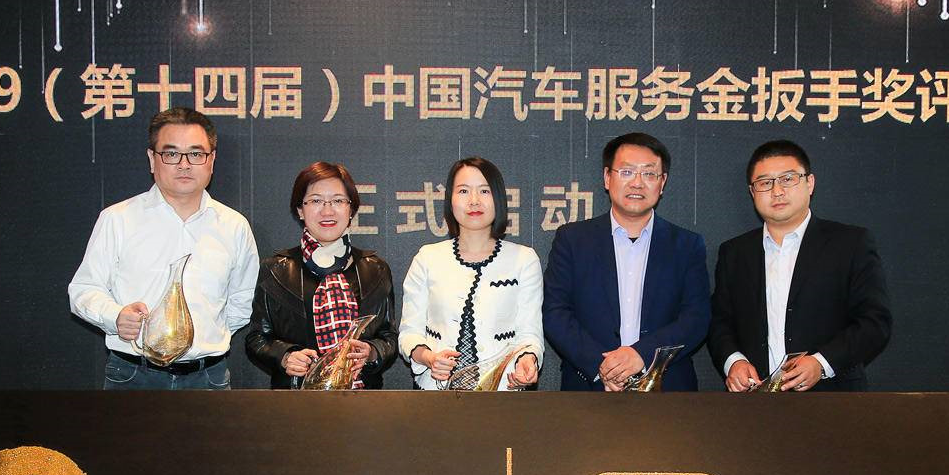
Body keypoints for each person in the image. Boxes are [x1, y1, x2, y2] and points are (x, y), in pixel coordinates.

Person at [68, 107, 258, 389]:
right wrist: (115, 317)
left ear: (211, 160)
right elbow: (84, 290)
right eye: (171, 154)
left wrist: (205, 337)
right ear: (152, 159)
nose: (184, 164)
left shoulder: (234, 226)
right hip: (132, 376)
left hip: (208, 378)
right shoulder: (118, 219)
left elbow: (241, 302)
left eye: (196, 154)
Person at [708, 139, 892, 392]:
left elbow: (874, 322)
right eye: (765, 183)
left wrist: (821, 363)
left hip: (834, 397)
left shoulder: (850, 243)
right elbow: (720, 322)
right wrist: (734, 361)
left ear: (810, 183)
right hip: (754, 400)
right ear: (752, 192)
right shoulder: (735, 252)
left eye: (787, 179)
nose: (777, 191)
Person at [542, 132, 710, 391]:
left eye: (649, 173)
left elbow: (696, 318)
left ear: (662, 182)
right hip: (589, 389)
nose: (637, 183)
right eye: (627, 172)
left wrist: (642, 354)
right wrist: (603, 367)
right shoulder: (572, 239)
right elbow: (556, 312)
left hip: (667, 389)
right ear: (607, 178)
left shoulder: (687, 245)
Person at [246, 162, 398, 388]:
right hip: (296, 399)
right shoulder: (276, 269)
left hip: (363, 400)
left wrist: (372, 352)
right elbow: (257, 338)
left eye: (338, 201)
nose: (327, 211)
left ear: (351, 209)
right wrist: (285, 356)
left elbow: (389, 338)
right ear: (300, 209)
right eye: (316, 201)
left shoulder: (375, 269)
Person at [397, 157, 544, 390]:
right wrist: (429, 358)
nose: (474, 200)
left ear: (498, 198)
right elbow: (409, 332)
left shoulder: (524, 260)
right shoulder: (427, 258)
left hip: (502, 393)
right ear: (450, 200)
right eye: (463, 191)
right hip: (435, 393)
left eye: (484, 191)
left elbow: (529, 333)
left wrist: (528, 359)